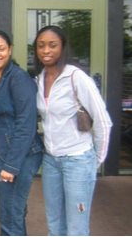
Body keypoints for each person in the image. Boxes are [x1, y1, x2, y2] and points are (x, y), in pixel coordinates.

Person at [33, 25, 112, 236]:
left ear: (63, 47)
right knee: (55, 223)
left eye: (52, 45)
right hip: (51, 161)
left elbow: (103, 121)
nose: (46, 50)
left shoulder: (77, 77)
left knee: (76, 227)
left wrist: (96, 160)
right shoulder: (39, 80)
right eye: (41, 46)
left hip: (78, 161)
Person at [0, 30, 44, 236]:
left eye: (1, 48)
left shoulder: (19, 78)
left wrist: (11, 165)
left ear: (10, 50)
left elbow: (26, 125)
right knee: (10, 212)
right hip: (0, 151)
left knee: (10, 217)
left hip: (20, 155)